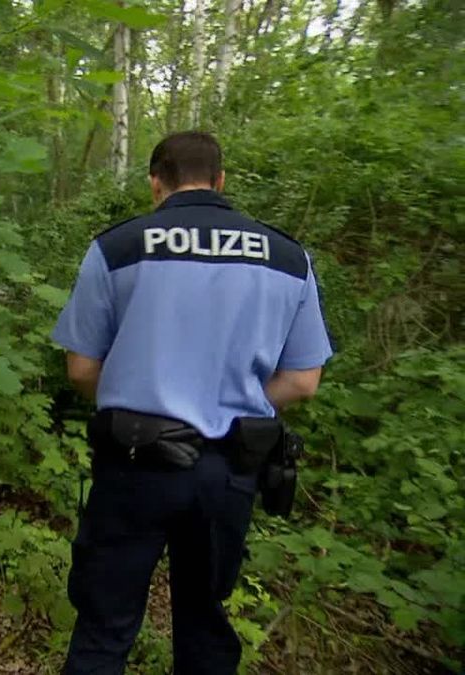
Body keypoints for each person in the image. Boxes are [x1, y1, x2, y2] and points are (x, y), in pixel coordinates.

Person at [51, 132, 333, 674]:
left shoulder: (117, 247)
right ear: (221, 181)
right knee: (205, 627)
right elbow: (302, 381)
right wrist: (238, 403)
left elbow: (82, 369)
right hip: (228, 471)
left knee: (104, 629)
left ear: (156, 183)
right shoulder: (287, 257)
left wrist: (128, 401)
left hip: (134, 464)